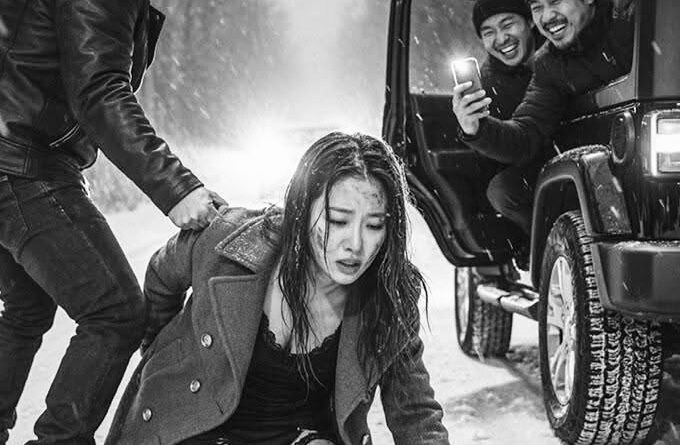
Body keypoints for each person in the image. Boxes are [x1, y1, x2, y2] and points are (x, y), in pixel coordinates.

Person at [105, 132, 449, 445]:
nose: (355, 244)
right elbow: (162, 275)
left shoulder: (388, 295)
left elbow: (415, 412)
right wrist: (163, 348)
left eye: (374, 225)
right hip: (192, 428)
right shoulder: (226, 241)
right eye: (338, 220)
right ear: (303, 208)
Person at [0, 1, 225, 444]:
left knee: (26, 310)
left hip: (13, 152)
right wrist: (176, 188)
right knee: (116, 312)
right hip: (25, 164)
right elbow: (99, 90)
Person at [453, 0, 636, 228]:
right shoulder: (549, 63)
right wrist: (477, 128)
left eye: (555, 1)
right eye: (537, 7)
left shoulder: (632, 18)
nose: (547, 16)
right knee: (506, 189)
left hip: (654, 149)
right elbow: (526, 134)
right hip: (604, 164)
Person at [466, 0, 546, 260]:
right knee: (502, 191)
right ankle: (542, 242)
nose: (501, 39)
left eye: (507, 24)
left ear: (530, 21)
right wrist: (474, 129)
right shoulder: (487, 85)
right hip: (534, 162)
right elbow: (503, 152)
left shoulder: (557, 49)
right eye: (488, 32)